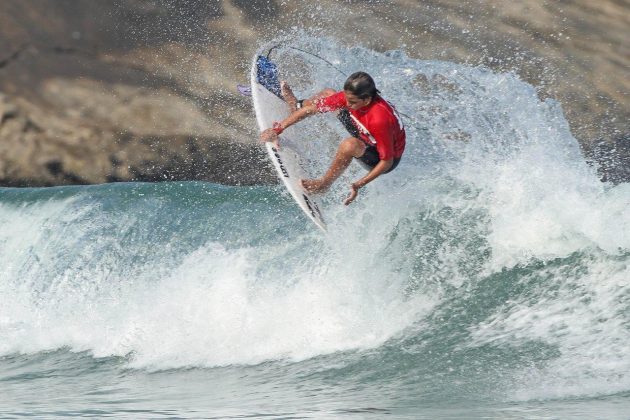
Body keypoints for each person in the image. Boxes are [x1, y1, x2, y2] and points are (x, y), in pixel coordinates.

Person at [260, 72, 405, 205]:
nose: (347, 104)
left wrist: (359, 184)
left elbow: (387, 162)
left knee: (350, 145)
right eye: (347, 99)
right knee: (328, 94)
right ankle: (296, 107)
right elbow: (312, 109)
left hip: (381, 158)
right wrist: (277, 130)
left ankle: (323, 185)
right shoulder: (350, 98)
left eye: (353, 102)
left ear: (367, 100)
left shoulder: (380, 119)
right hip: (364, 131)